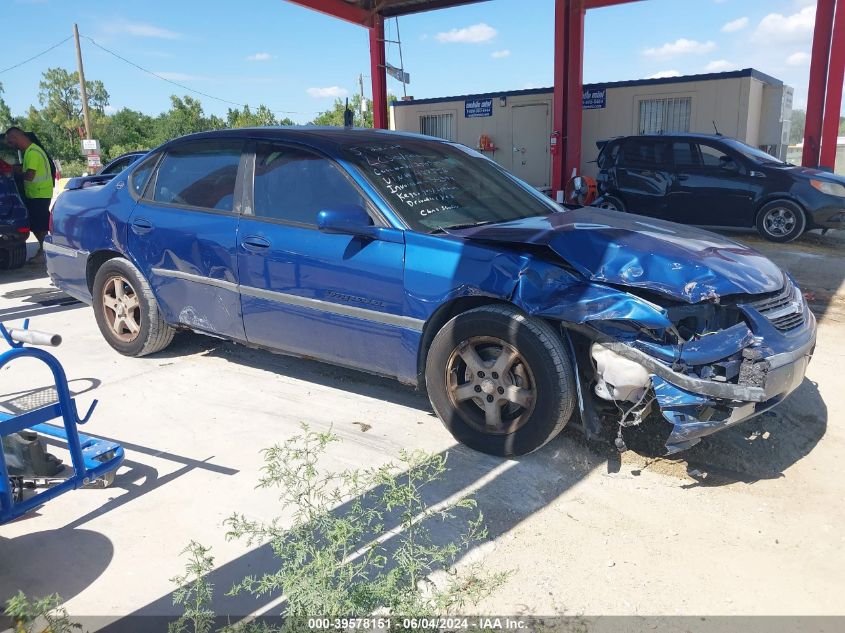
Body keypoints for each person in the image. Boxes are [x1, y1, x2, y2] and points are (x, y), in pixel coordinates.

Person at [4, 126, 54, 261]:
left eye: (10, 142)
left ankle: (45, 253)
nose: (11, 146)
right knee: (38, 225)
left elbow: (30, 176)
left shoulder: (32, 153)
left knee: (39, 226)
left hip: (38, 194)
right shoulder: (33, 150)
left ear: (16, 138)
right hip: (39, 193)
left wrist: (12, 170)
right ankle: (45, 251)